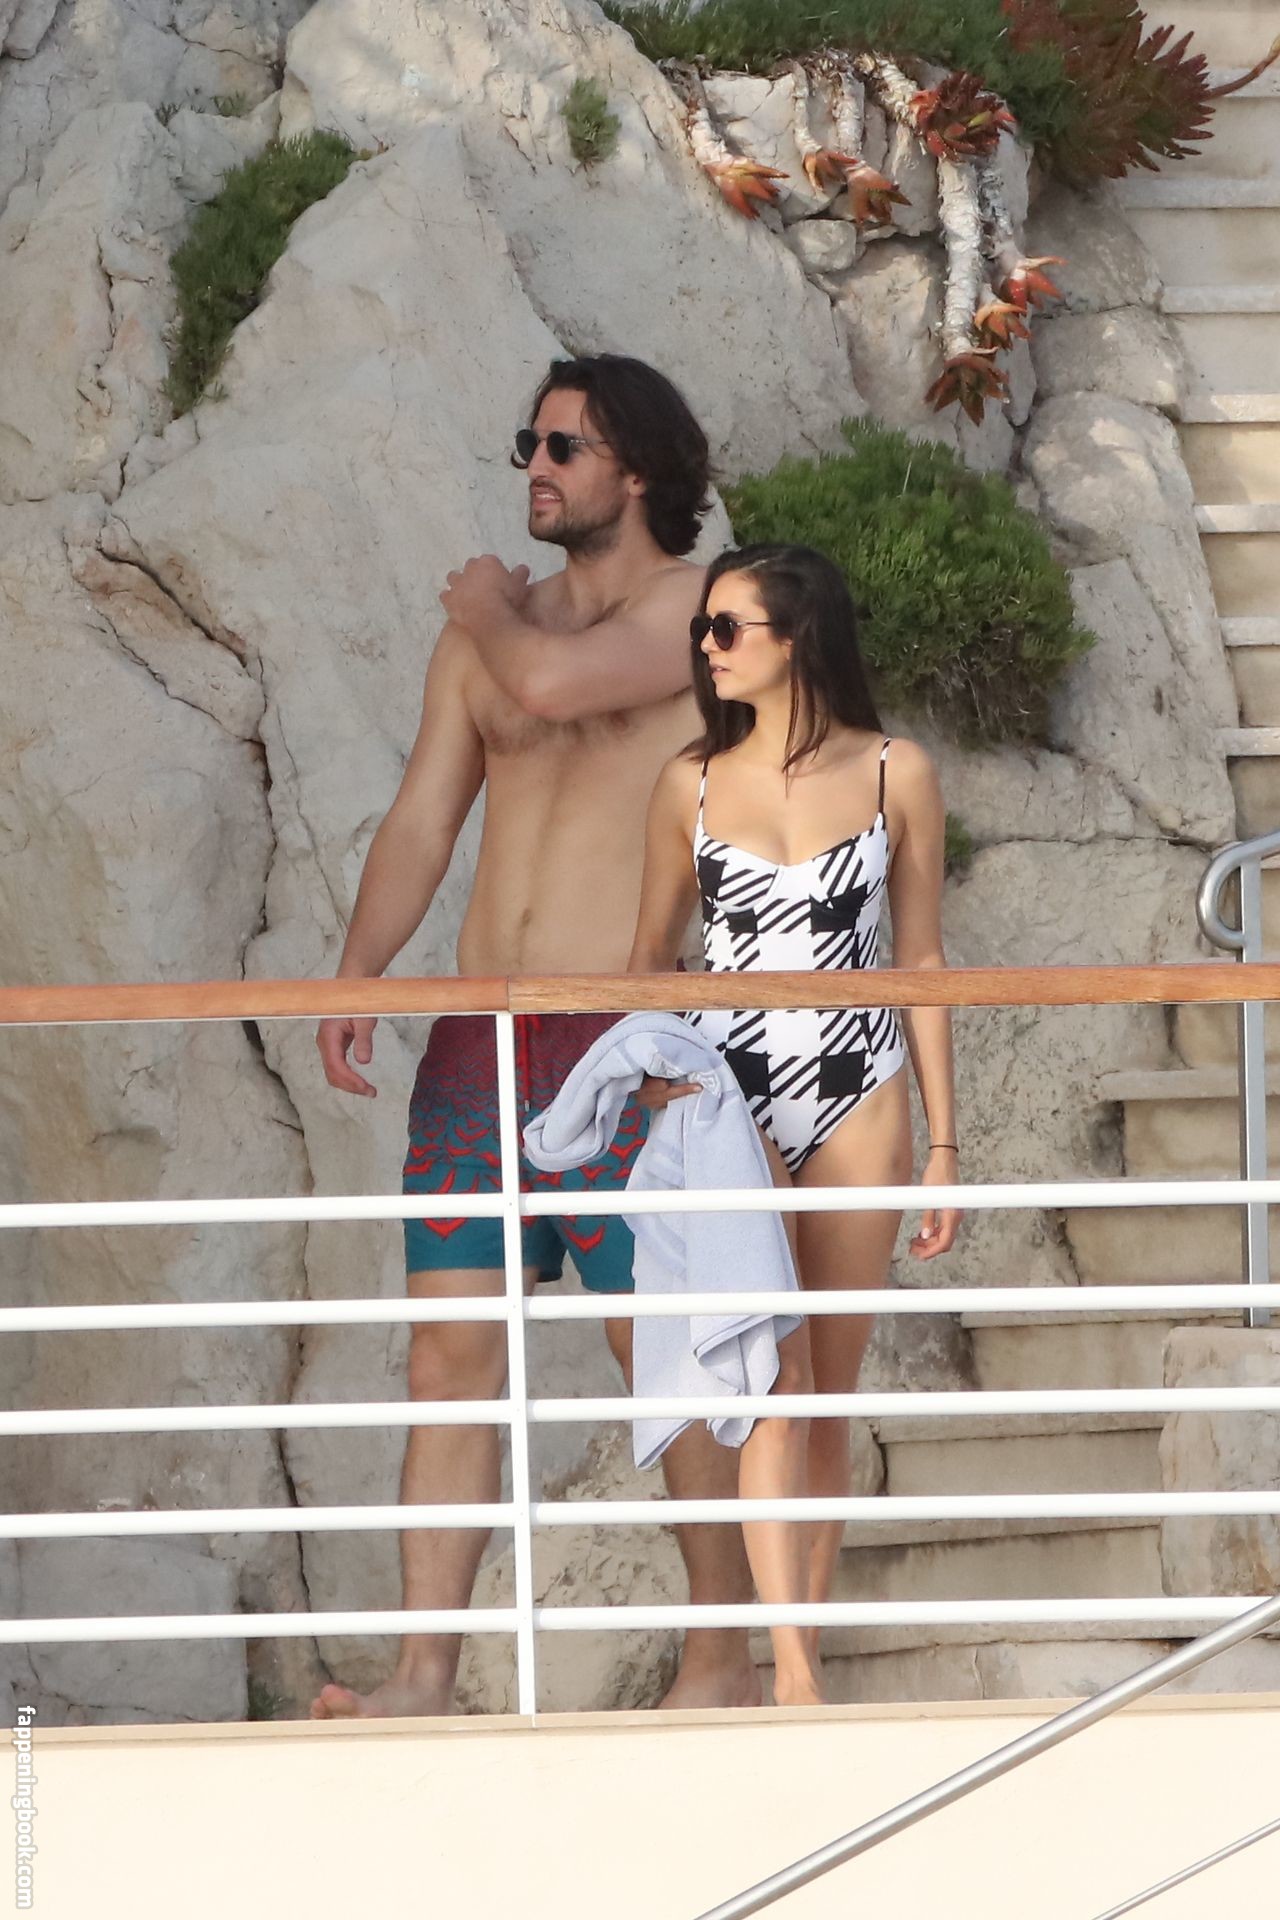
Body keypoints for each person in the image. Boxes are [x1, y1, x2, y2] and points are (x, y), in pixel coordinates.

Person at [309, 355, 768, 1719]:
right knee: (448, 1360)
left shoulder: (695, 608)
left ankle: (720, 1658)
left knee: (659, 1349)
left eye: (565, 446)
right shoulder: (490, 640)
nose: (537, 466)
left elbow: (563, 686)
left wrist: (479, 606)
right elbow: (422, 818)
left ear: (640, 471)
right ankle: (423, 1676)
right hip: (478, 1044)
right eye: (530, 443)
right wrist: (358, 973)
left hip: (625, 1042)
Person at [627, 541, 961, 1702]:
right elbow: (646, 956)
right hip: (732, 1098)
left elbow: (922, 962)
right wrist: (656, 1073)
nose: (705, 647)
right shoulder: (688, 782)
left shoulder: (895, 772)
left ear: (797, 635)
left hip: (859, 1089)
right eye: (702, 628)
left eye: (727, 627)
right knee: (771, 1375)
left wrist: (944, 1146)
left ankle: (798, 1664)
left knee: (824, 1393)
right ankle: (794, 1681)